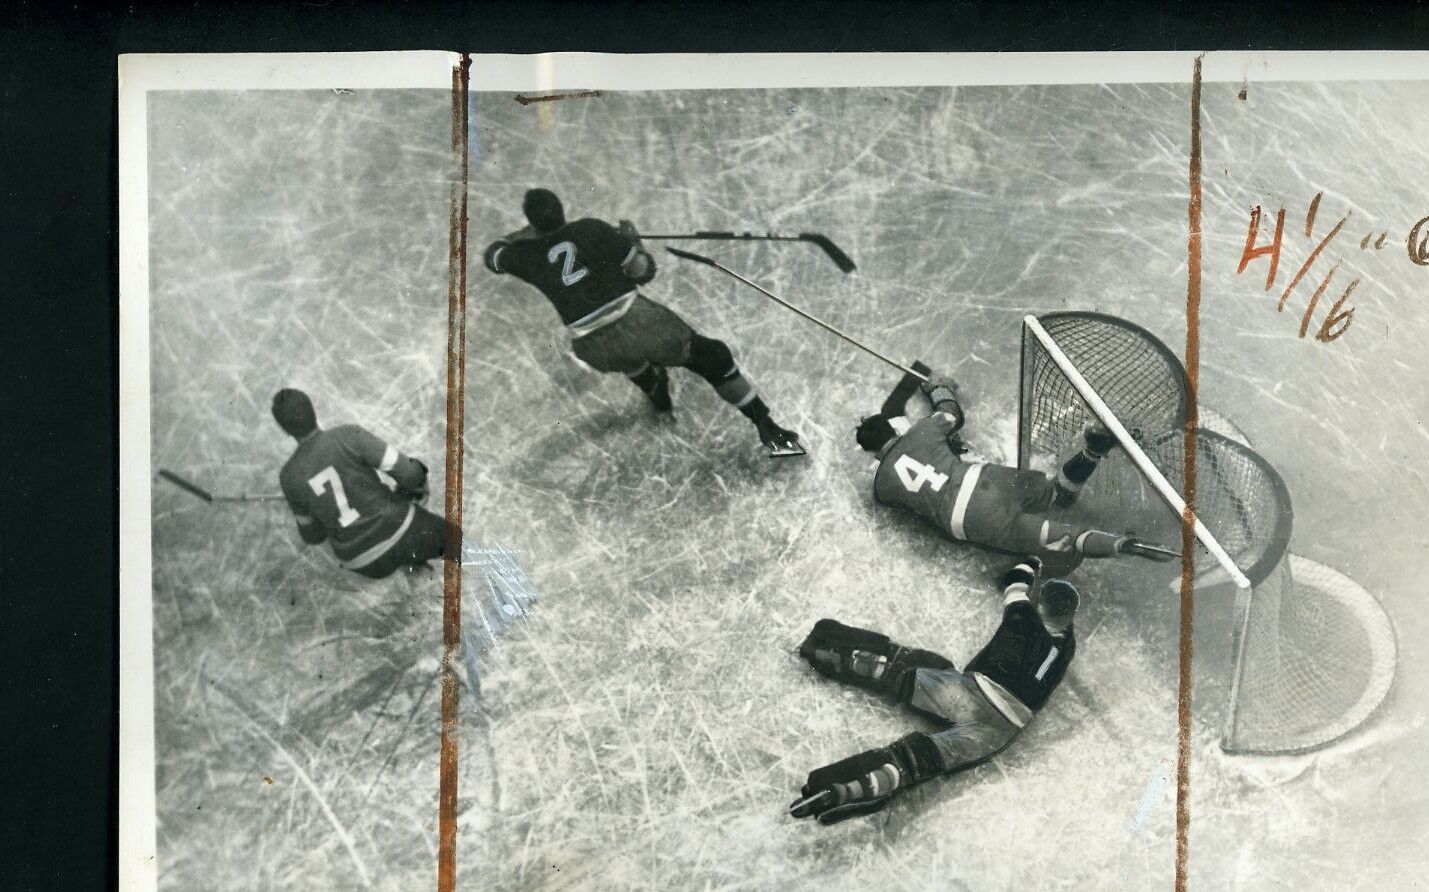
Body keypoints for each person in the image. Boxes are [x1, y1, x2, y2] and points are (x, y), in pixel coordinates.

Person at [482, 188, 805, 458]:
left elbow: (492, 255)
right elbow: (644, 272)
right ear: (562, 210)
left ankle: (657, 394)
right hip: (640, 324)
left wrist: (526, 237)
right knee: (713, 356)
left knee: (629, 358)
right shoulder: (593, 229)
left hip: (591, 345)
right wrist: (633, 243)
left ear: (531, 221)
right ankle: (769, 428)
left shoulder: (525, 254)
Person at [790, 557, 1076, 825]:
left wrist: (1031, 563)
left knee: (905, 673)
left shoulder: (1023, 615)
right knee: (918, 759)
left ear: (1040, 606)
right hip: (1005, 727)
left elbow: (1015, 582)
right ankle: (851, 788)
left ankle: (837, 655)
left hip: (974, 693)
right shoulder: (1068, 645)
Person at [856, 369, 1176, 575]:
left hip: (970, 518)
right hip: (985, 480)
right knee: (1055, 492)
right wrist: (939, 388)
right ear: (892, 428)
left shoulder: (881, 490)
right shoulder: (921, 431)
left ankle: (1121, 546)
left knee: (1064, 542)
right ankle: (1091, 452)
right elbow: (951, 413)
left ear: (872, 453)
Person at [273, 388, 454, 579]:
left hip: (365, 563)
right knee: (456, 541)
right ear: (312, 409)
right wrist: (417, 477)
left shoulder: (288, 477)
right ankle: (415, 552)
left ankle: (409, 564)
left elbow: (313, 536)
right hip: (403, 532)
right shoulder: (349, 435)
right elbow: (410, 474)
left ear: (284, 428)